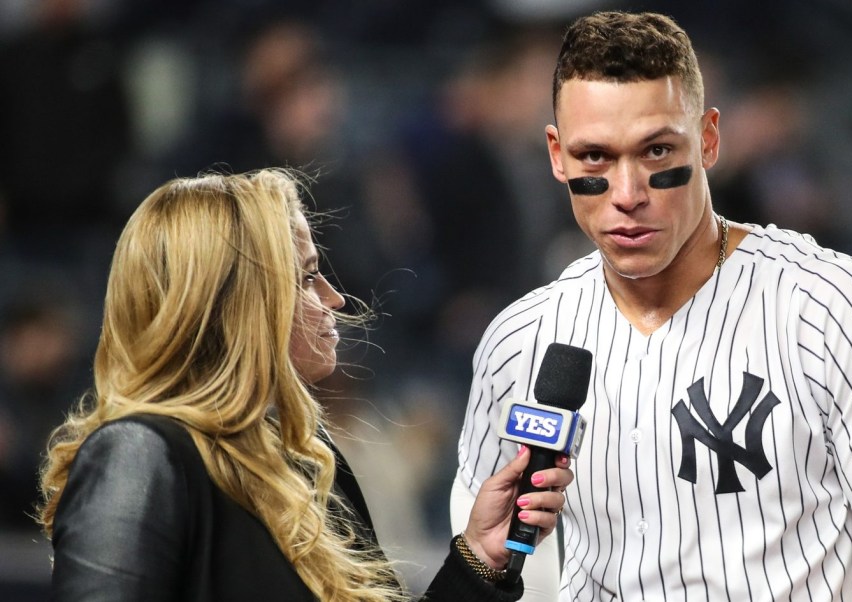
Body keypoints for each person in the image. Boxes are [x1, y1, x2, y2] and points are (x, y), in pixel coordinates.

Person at [451, 11, 852, 602]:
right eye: (595, 157)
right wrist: (485, 569)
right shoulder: (520, 340)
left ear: (708, 139)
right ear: (558, 155)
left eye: (657, 151)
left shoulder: (835, 308)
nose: (627, 194)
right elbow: (487, 556)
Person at [35, 168, 573, 601]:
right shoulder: (139, 453)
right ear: (238, 303)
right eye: (307, 276)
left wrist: (479, 556)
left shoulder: (308, 461)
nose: (333, 299)